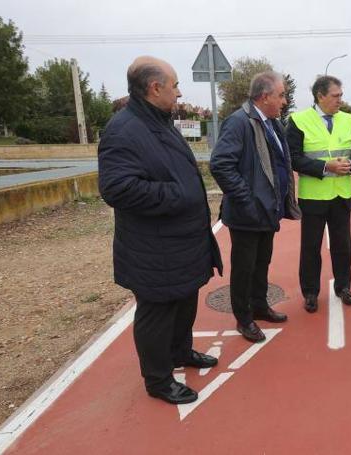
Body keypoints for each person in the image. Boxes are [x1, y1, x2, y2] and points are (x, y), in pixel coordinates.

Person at [98, 56, 223, 404]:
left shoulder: (159, 121)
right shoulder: (124, 129)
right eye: (175, 86)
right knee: (157, 313)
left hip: (181, 240)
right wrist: (178, 194)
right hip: (154, 248)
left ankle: (180, 352)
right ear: (155, 88)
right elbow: (117, 189)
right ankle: (157, 379)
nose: (179, 93)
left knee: (184, 302)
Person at [210, 71, 300, 343]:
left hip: (267, 211)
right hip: (247, 214)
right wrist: (247, 200)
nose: (284, 101)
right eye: (281, 95)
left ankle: (260, 306)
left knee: (262, 263)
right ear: (264, 96)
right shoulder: (238, 123)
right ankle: (244, 318)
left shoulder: (272, 123)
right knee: (244, 268)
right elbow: (221, 165)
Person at [286, 75, 351, 313]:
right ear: (320, 96)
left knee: (343, 246)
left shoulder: (349, 119)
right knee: (311, 248)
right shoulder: (298, 120)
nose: (340, 100)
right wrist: (325, 167)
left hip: (341, 195)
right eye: (335, 96)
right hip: (313, 198)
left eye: (341, 95)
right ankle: (310, 292)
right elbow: (294, 158)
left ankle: (344, 287)